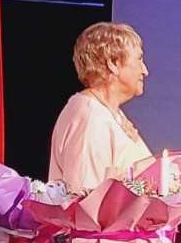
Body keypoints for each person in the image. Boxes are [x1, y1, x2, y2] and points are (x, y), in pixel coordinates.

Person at [49, 22, 153, 193]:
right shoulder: (91, 117)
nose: (145, 70)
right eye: (139, 59)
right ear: (113, 63)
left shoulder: (111, 113)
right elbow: (83, 199)